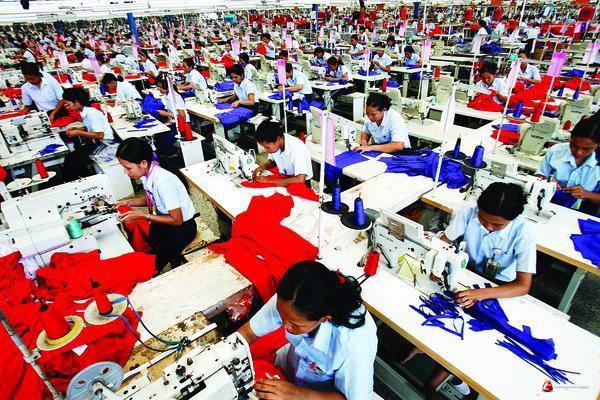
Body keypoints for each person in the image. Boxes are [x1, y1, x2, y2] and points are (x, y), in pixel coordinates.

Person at [402, 182, 536, 400]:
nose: (487, 226)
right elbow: (444, 241)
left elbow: (523, 285)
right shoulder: (468, 212)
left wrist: (480, 294)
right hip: (466, 273)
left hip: (500, 287)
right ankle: (429, 349)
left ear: (512, 219)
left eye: (496, 225)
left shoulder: (524, 233)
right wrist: (437, 260)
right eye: (483, 219)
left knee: (471, 327)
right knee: (433, 303)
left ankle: (444, 375)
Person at [238, 261, 378, 400]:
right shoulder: (291, 299)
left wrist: (296, 394)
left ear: (324, 319)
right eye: (281, 317)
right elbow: (247, 334)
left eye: (294, 325)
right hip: (291, 371)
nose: (284, 327)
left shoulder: (356, 342)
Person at [115, 138, 197, 272]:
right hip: (166, 222)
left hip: (183, 228)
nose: (126, 172)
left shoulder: (164, 182)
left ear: (143, 163)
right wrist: (128, 202)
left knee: (149, 264)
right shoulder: (148, 173)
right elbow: (152, 199)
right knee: (151, 243)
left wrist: (144, 216)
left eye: (128, 168)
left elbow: (177, 220)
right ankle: (170, 261)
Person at [535, 114, 599, 213]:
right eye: (574, 145)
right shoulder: (556, 151)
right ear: (570, 138)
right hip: (546, 204)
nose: (579, 152)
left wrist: (587, 194)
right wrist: (546, 180)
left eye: (586, 149)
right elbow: (539, 175)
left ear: (597, 145)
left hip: (581, 213)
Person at [61, 87, 114, 181]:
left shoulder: (91, 113)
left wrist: (78, 132)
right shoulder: (85, 111)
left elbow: (100, 135)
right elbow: (90, 128)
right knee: (69, 157)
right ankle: (81, 180)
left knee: (75, 162)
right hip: (98, 143)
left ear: (76, 102)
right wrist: (77, 129)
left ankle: (83, 182)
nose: (67, 107)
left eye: (68, 104)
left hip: (106, 144)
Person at [252, 120, 313, 186]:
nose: (266, 150)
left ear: (278, 139)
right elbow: (273, 162)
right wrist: (263, 166)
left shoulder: (298, 148)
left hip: (299, 184)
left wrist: (269, 181)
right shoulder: (276, 143)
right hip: (284, 178)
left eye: (267, 147)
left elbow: (300, 180)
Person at [155, 72, 188, 155]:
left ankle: (178, 152)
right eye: (157, 87)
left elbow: (182, 117)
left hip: (182, 126)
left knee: (163, 146)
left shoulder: (176, 97)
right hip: (174, 123)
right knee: (157, 138)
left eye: (160, 87)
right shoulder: (167, 95)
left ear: (166, 86)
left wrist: (166, 114)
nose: (159, 89)